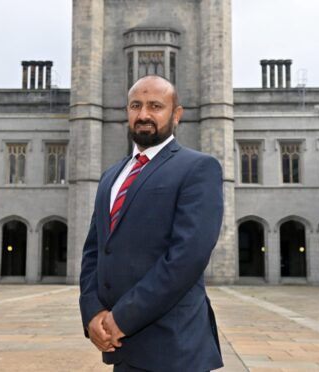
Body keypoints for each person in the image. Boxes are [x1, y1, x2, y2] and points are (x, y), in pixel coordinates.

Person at [79, 75, 224, 371]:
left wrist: (122, 318)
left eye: (155, 106)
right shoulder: (111, 175)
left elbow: (186, 258)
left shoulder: (198, 168)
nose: (144, 115)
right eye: (136, 105)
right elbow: (95, 251)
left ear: (176, 114)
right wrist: (92, 312)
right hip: (122, 348)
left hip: (174, 348)